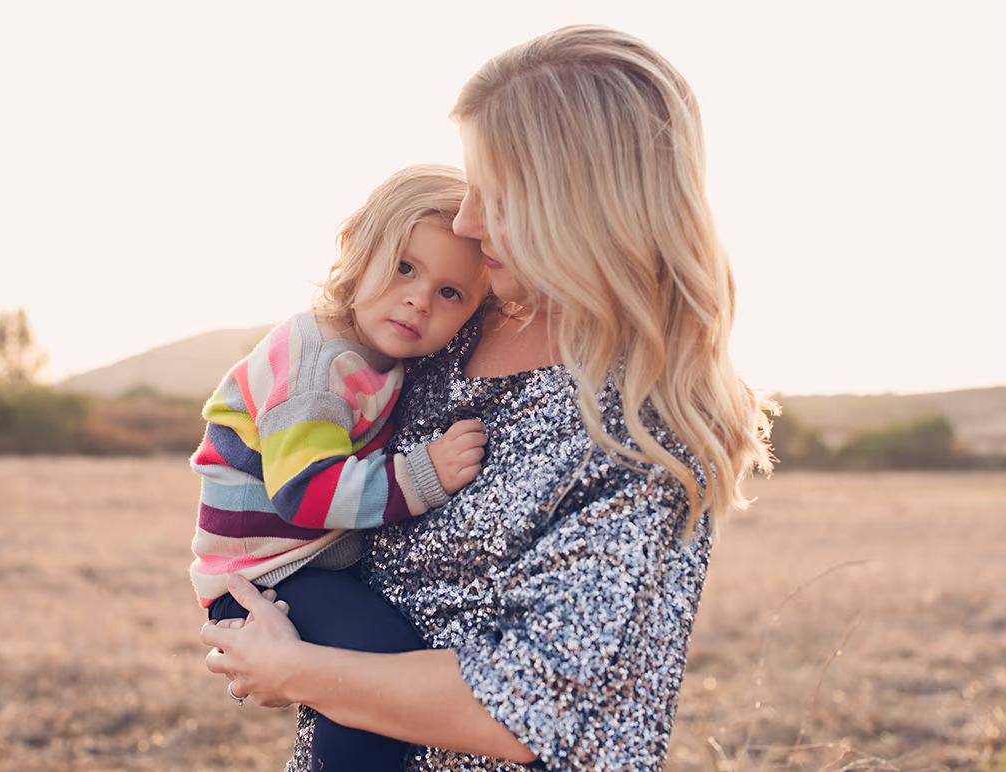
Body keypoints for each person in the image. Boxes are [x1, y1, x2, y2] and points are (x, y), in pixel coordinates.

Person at [201, 25, 773, 772]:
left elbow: (531, 705)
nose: (466, 222)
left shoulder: (642, 431)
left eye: (493, 194)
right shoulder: (451, 334)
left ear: (578, 202)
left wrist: (297, 670)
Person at [190, 164, 491, 770]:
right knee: (379, 663)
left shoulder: (377, 360)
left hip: (300, 566)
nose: (419, 299)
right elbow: (305, 491)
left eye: (450, 293)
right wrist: (423, 473)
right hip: (261, 580)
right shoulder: (316, 360)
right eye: (405, 267)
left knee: (369, 675)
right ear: (355, 246)